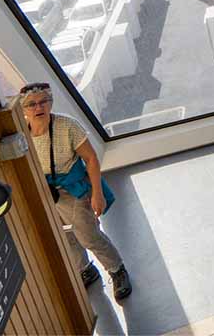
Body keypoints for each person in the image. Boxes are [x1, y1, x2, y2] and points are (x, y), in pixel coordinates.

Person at [19, 83, 132, 301]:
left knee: (88, 235)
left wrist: (97, 194)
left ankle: (117, 270)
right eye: (31, 104)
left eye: (43, 101)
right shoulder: (22, 134)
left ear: (51, 102)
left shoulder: (67, 126)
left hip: (75, 188)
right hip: (47, 192)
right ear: (24, 110)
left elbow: (90, 159)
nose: (38, 107)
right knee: (65, 237)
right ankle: (86, 270)